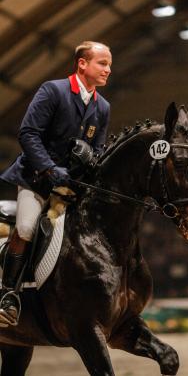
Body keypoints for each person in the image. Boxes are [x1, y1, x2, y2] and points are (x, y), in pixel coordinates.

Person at [0, 40, 112, 326]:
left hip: (70, 187)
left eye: (109, 65)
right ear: (82, 64)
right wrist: (50, 169)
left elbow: (98, 150)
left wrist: (90, 163)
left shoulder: (103, 107)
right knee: (25, 228)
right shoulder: (53, 90)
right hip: (36, 180)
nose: (108, 69)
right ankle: (7, 294)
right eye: (102, 63)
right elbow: (28, 134)